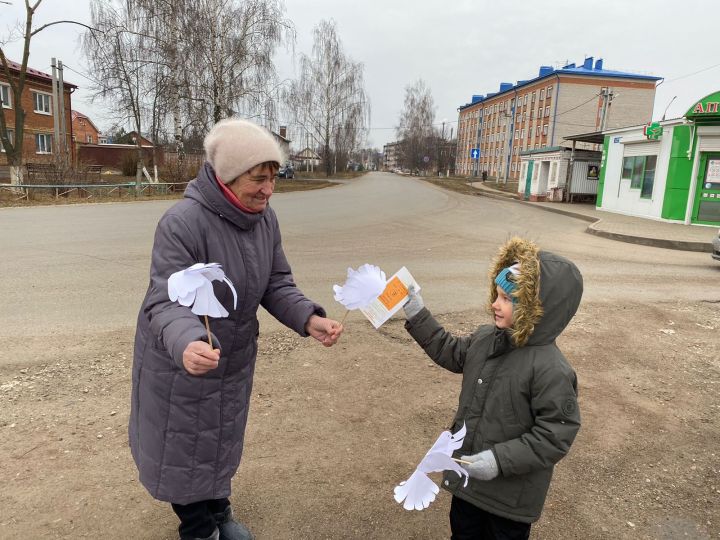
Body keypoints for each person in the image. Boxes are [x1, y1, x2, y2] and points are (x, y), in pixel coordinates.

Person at [129, 118, 344, 540]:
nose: (268, 189)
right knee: (185, 446)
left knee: (221, 438)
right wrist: (189, 341)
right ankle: (198, 529)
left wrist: (308, 317)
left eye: (274, 177)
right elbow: (164, 300)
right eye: (258, 178)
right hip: (185, 363)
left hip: (235, 360)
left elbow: (276, 282)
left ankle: (220, 510)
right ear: (227, 177)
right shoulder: (183, 223)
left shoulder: (265, 220)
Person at [402, 237, 582, 539]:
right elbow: (451, 351)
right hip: (468, 483)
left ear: (538, 309)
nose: (494, 304)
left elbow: (555, 435)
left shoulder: (552, 369)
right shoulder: (487, 339)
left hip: (509, 501)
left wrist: (499, 460)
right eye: (496, 294)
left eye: (508, 299)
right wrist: (417, 314)